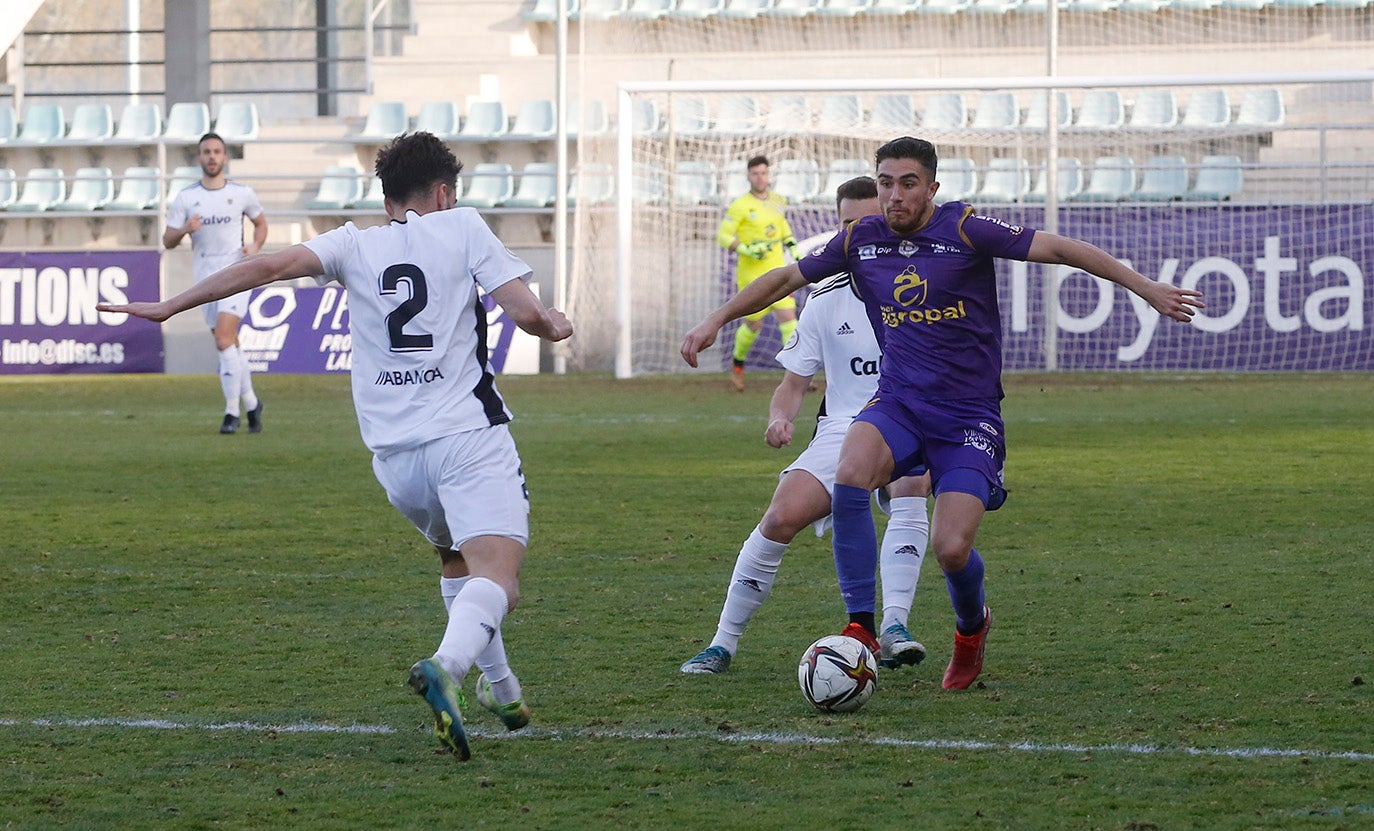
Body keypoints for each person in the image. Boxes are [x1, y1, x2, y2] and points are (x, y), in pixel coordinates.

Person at [100, 132, 574, 760]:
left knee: (456, 561)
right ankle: (447, 668)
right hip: (466, 437)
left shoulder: (352, 242)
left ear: (386, 202)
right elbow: (524, 313)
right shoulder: (463, 226)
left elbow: (265, 267)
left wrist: (171, 304)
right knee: (501, 577)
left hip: (397, 461)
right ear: (443, 192)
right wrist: (555, 322)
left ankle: (503, 688)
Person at [681, 136, 1203, 692]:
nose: (895, 196)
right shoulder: (862, 238)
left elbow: (1060, 250)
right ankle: (862, 626)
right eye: (885, 183)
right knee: (851, 470)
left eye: (908, 184)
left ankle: (971, 630)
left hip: (967, 415)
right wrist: (717, 319)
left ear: (932, 187)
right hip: (900, 402)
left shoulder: (964, 229)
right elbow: (787, 278)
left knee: (951, 548)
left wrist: (1145, 288)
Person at [681, 176, 930, 675]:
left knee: (912, 483)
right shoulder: (825, 297)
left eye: (867, 223)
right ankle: (722, 644)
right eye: (846, 225)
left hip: (909, 420)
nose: (856, 235)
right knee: (779, 517)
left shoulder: (921, 288)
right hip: (842, 428)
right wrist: (779, 418)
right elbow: (794, 383)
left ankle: (894, 625)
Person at [163, 131, 270, 434]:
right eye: (206, 152)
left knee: (224, 338)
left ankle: (231, 413)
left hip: (236, 273)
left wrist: (255, 247)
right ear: (199, 158)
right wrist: (185, 228)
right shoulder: (187, 197)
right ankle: (252, 403)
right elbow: (168, 240)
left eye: (217, 151)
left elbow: (261, 224)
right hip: (205, 276)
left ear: (225, 157)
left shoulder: (242, 193)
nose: (212, 156)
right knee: (229, 343)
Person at [716, 154, 801, 391]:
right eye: (755, 173)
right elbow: (723, 236)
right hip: (752, 276)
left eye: (763, 173)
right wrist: (747, 249)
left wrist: (793, 246)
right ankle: (737, 368)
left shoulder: (778, 200)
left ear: (768, 174)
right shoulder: (740, 205)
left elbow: (782, 227)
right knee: (753, 326)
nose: (760, 177)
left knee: (789, 321)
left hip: (779, 273)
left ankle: (795, 376)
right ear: (748, 176)